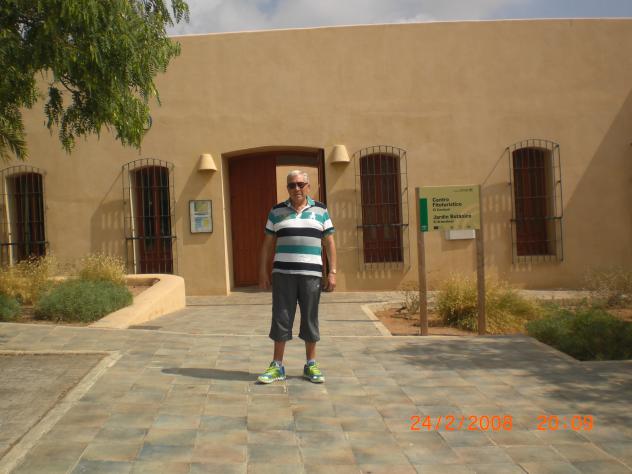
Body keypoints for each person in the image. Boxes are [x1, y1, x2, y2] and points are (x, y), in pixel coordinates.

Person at [257, 169, 336, 384]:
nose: (296, 188)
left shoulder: (321, 210)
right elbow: (267, 244)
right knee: (281, 318)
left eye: (300, 184)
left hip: (311, 275)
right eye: (292, 185)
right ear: (287, 188)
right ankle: (277, 365)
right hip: (283, 275)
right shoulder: (276, 211)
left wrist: (332, 272)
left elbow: (329, 243)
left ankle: (311, 364)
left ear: (308, 186)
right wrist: (262, 271)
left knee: (310, 318)